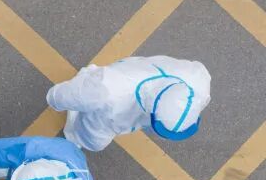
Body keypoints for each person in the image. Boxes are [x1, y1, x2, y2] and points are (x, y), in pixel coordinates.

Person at [46, 56, 211, 152]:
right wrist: (55, 99)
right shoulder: (109, 91)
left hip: (125, 76)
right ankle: (75, 135)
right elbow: (67, 95)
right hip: (104, 113)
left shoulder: (197, 80)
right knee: (93, 140)